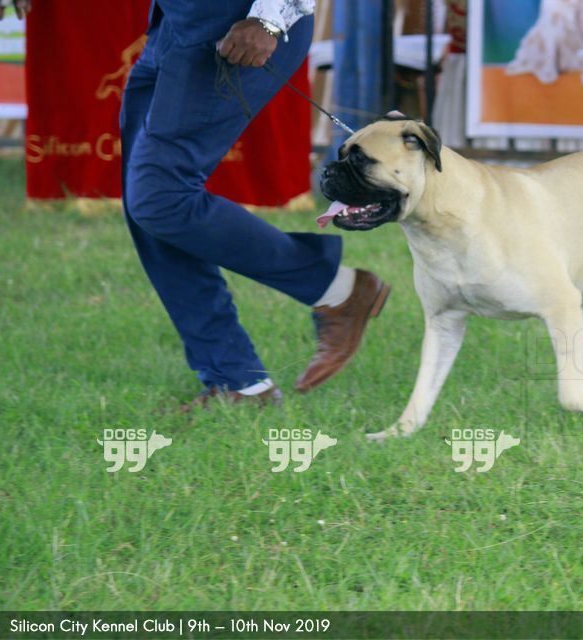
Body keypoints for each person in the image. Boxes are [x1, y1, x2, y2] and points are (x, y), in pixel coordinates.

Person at [114, 0, 389, 410]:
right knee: (149, 204)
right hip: (175, 24)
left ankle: (337, 289)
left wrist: (268, 19)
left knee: (160, 197)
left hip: (238, 26)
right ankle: (239, 383)